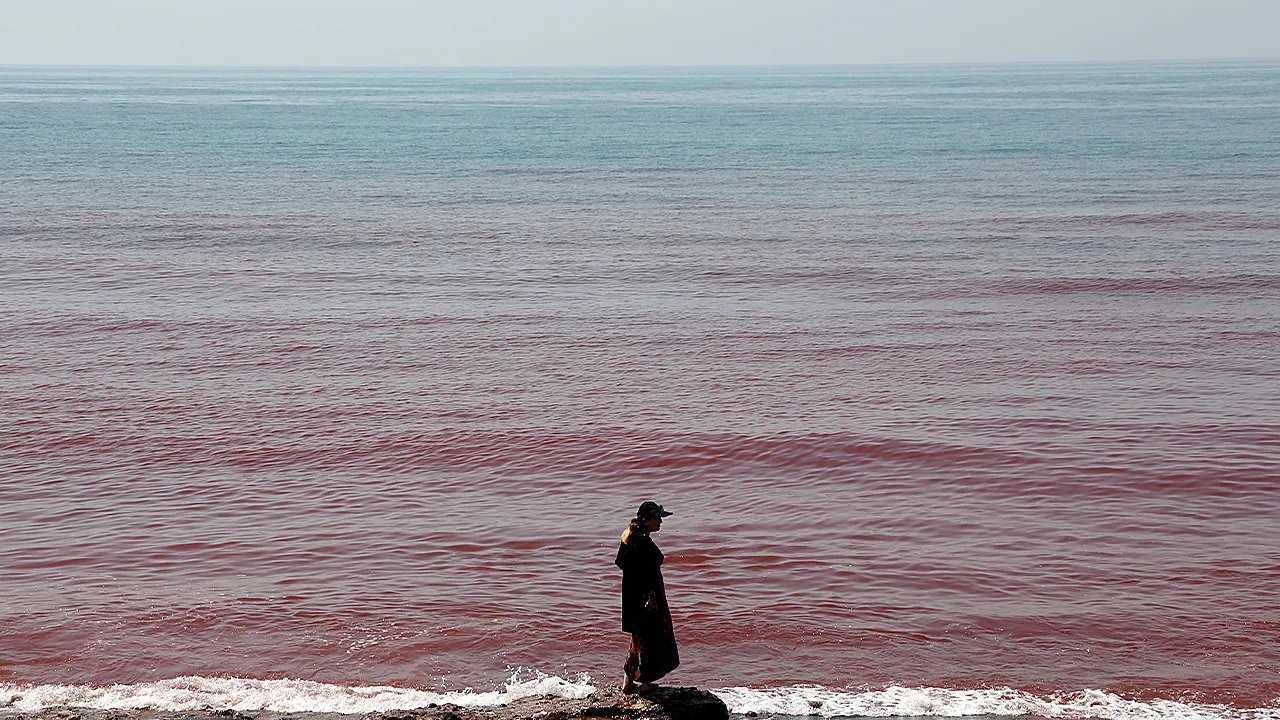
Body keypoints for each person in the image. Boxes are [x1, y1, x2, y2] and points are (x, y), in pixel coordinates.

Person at [615, 500, 680, 694]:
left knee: (638, 639)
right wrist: (649, 598)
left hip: (633, 598)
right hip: (646, 600)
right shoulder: (641, 541)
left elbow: (623, 564)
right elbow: (653, 564)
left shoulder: (629, 536)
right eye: (657, 518)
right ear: (646, 520)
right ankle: (645, 683)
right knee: (651, 640)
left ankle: (628, 683)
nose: (660, 522)